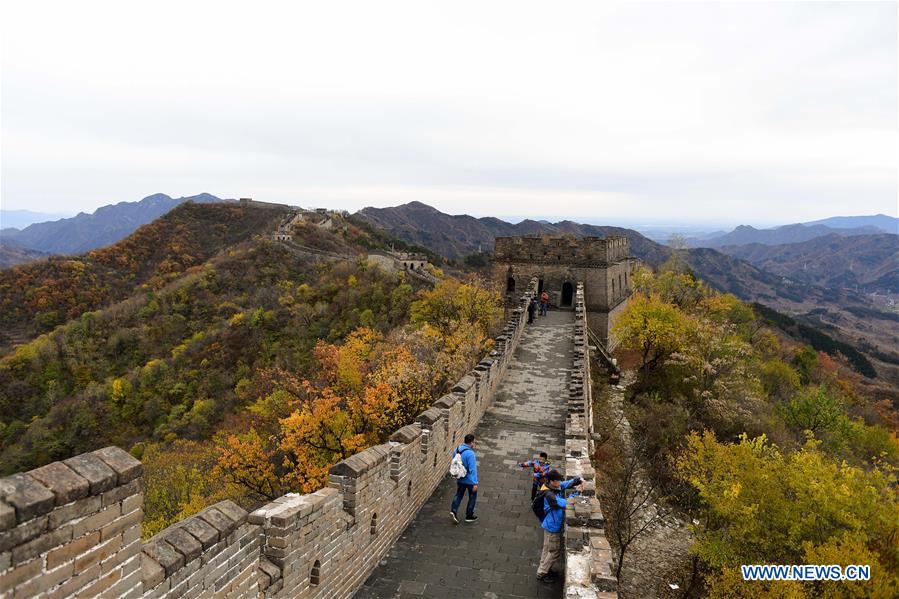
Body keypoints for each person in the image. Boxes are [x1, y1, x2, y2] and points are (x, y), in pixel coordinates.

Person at [536, 470, 582, 583]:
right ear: (551, 481)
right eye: (557, 480)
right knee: (555, 551)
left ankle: (545, 569)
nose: (559, 482)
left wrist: (577, 481)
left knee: (547, 549)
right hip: (552, 526)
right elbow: (565, 503)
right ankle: (542, 573)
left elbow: (565, 484)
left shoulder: (551, 486)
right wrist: (576, 494)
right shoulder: (549, 495)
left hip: (548, 524)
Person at [450, 433, 478, 524]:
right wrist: (475, 483)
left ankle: (453, 510)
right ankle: (469, 515)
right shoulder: (471, 453)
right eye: (474, 442)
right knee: (472, 497)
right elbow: (472, 470)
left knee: (459, 495)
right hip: (469, 480)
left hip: (460, 478)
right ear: (471, 443)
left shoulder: (457, 449)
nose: (475, 444)